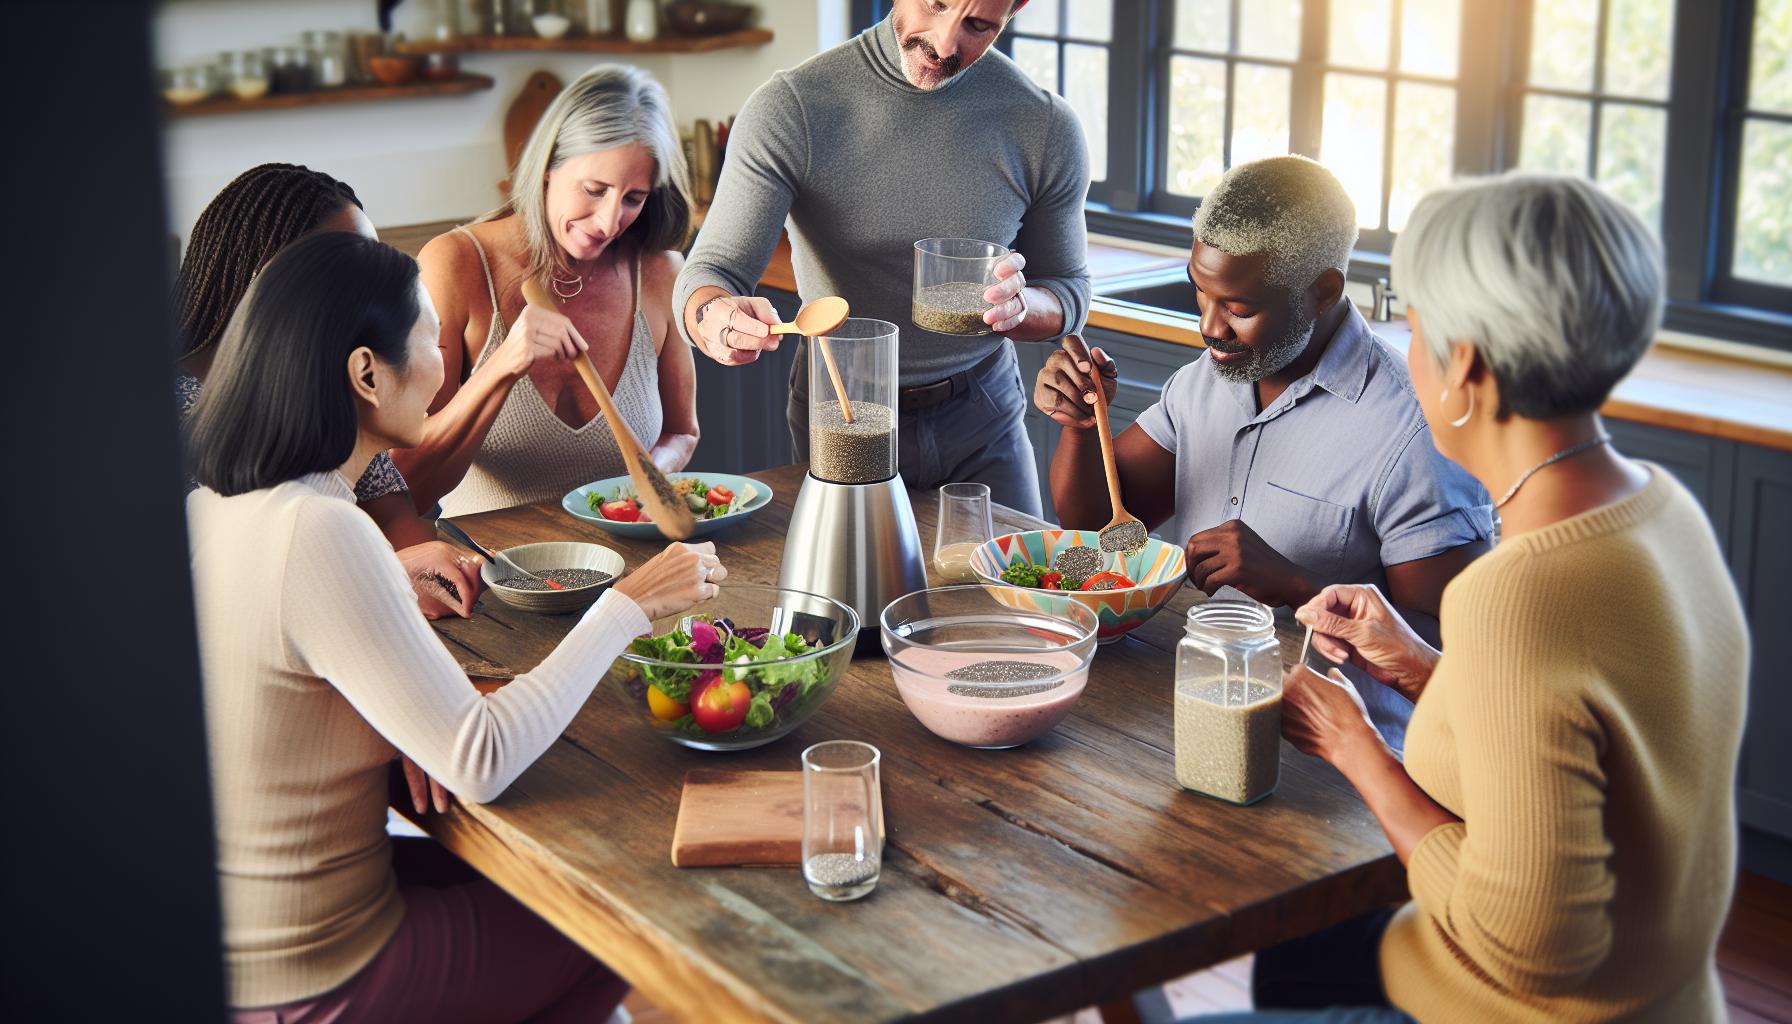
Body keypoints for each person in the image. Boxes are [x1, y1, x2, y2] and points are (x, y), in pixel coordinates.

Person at [187, 230, 725, 1022]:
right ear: (367, 374)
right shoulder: (321, 529)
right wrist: (631, 606)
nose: (443, 361)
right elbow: (480, 758)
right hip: (314, 979)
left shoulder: (217, 505)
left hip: (234, 947)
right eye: (427, 339)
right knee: (635, 915)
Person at [1260, 173, 1748, 1022]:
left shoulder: (1514, 594)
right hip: (1670, 1001)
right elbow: (1572, 730)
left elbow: (1529, 944)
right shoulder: (1666, 510)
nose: (1405, 353)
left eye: (1415, 332)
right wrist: (1415, 667)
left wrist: (1354, 748)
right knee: (1302, 960)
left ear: (1467, 370)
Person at [1035, 155, 1490, 749]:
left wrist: (1298, 585)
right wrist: (1079, 422)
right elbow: (1100, 528)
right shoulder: (1208, 378)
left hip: (1341, 770)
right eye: (1199, 293)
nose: (1209, 327)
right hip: (1197, 718)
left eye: (1240, 309)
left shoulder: (1411, 433)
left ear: (1323, 291)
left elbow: (1461, 665)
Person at [672, 0, 1090, 516]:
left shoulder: (1043, 124)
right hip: (841, 408)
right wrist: (713, 318)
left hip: (982, 411)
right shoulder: (794, 107)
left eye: (979, 26)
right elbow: (712, 271)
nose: (943, 43)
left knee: (1006, 591)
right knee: (853, 594)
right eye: (935, 5)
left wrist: (1022, 307)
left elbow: (1068, 286)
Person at [174, 163, 481, 620]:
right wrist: (386, 571)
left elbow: (392, 512)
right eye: (350, 263)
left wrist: (427, 565)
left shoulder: (325, 376)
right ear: (278, 277)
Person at [396, 65, 700, 517]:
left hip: (629, 563)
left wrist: (651, 477)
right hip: (490, 571)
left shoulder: (660, 274)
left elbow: (682, 432)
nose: (608, 221)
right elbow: (409, 484)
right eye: (594, 189)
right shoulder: (454, 265)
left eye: (633, 198)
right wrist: (502, 365)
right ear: (547, 169)